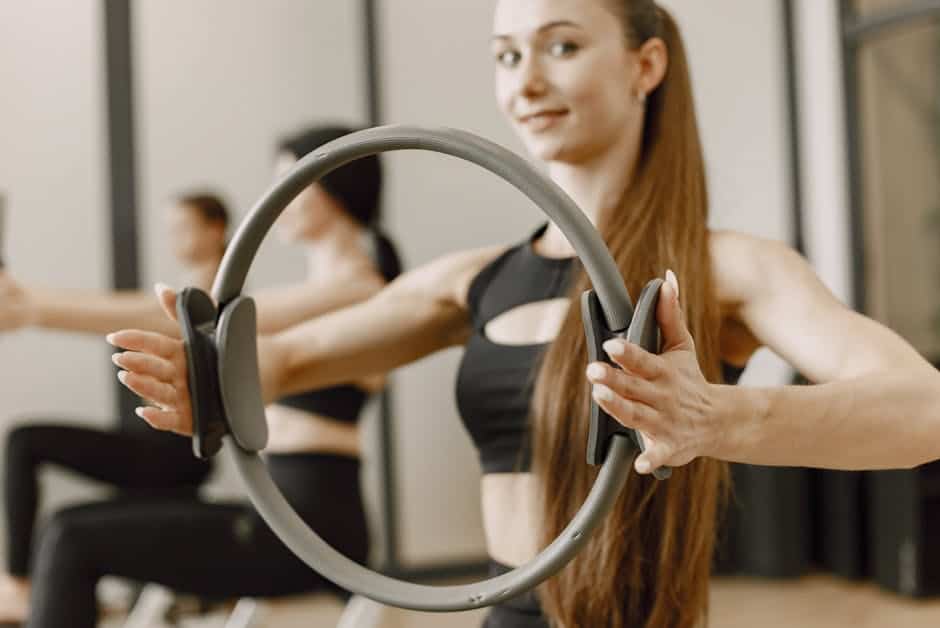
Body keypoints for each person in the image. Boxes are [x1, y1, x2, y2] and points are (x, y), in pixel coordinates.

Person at [109, 2, 940, 627]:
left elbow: (923, 411)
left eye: (563, 46)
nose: (525, 81)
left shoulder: (727, 269)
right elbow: (279, 363)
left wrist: (718, 415)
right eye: (507, 55)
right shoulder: (469, 280)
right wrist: (202, 374)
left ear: (645, 67)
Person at [2, 125, 402, 628]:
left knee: (72, 537)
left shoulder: (358, 291)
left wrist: (35, 308)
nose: (277, 197)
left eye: (290, 180)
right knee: (67, 531)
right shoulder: (326, 289)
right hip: (280, 516)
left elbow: (186, 320)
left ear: (333, 187)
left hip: (314, 527)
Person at [0, 192, 228, 623]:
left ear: (215, 230)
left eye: (184, 227)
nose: (174, 237)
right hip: (151, 443)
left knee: (25, 442)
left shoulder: (212, 293)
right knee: (51, 500)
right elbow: (118, 309)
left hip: (173, 452)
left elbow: (125, 314)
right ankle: (26, 584)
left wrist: (29, 304)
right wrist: (25, 300)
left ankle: (17, 583)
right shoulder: (183, 288)